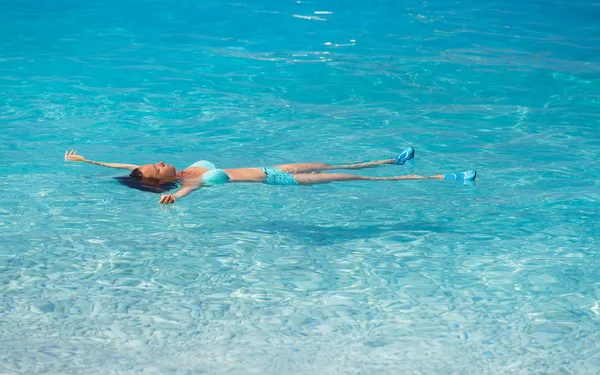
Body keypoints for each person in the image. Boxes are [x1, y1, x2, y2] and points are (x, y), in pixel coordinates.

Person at [64, 147, 476, 204]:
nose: (158, 162)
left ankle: (391, 161)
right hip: (283, 181)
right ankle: (443, 178)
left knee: (339, 165)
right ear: (159, 180)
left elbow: (126, 167)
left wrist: (87, 162)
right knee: (356, 182)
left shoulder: (183, 168)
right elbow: (187, 193)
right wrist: (173, 199)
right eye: (156, 168)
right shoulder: (185, 182)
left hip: (273, 168)